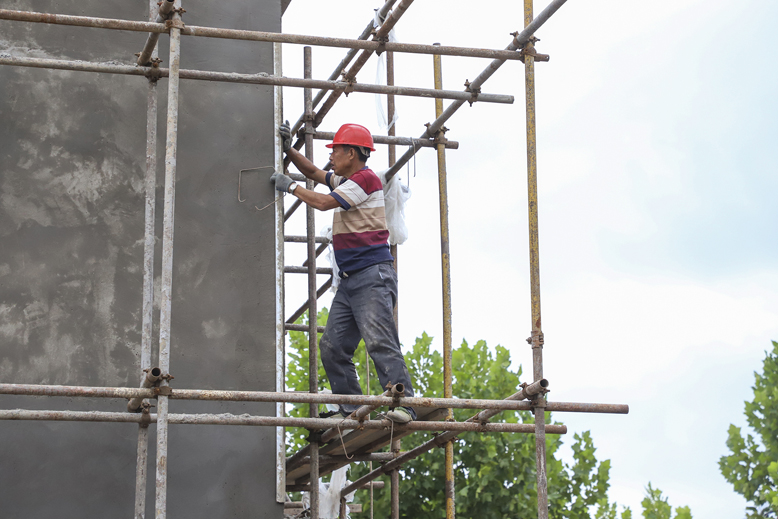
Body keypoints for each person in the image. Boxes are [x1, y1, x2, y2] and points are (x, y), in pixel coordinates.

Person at [272, 121, 416, 423]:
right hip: (352, 280)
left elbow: (323, 203)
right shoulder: (347, 180)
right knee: (333, 347)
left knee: (380, 339)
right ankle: (349, 407)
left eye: (336, 150)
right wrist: (289, 150)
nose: (332, 156)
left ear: (351, 153)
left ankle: (404, 402)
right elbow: (315, 173)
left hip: (372, 276)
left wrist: (290, 186)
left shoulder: (364, 180)